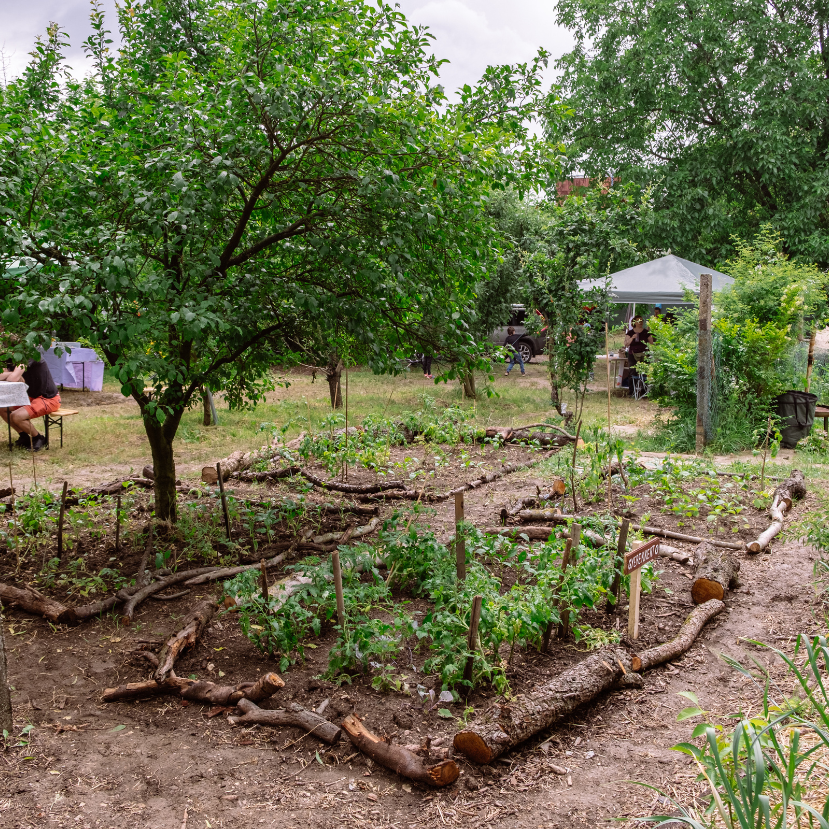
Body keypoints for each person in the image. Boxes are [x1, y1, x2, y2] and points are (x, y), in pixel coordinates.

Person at [0, 358, 61, 451]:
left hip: (48, 398)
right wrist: (11, 374)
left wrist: (11, 375)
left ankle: (38, 438)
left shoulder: (30, 355)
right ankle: (24, 436)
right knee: (2, 408)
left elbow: (13, 378)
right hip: (32, 397)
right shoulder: (9, 357)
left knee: (16, 416)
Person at [622, 316, 654, 393]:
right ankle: (632, 391)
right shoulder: (630, 332)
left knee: (644, 372)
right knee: (632, 371)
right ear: (634, 322)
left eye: (642, 320)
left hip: (644, 355)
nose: (641, 322)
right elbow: (626, 344)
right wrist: (632, 338)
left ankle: (644, 390)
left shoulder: (646, 332)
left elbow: (652, 343)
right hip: (633, 355)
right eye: (638, 320)